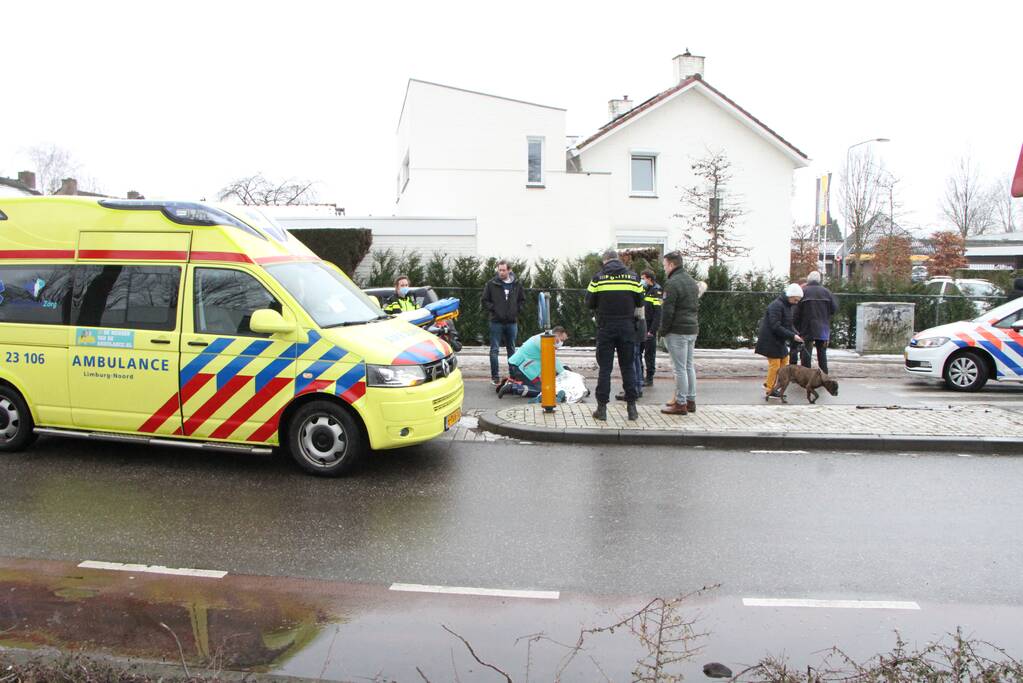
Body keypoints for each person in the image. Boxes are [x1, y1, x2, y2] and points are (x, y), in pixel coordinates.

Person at [586, 249, 644, 421]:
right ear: (618, 260)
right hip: (627, 327)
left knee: (605, 369)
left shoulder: (598, 278)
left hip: (606, 327)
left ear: (605, 261)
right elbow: (640, 301)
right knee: (628, 367)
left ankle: (602, 409)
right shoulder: (633, 278)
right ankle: (632, 408)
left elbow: (589, 302)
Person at [659, 252, 701, 416]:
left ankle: (680, 403)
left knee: (679, 369)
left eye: (665, 265)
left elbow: (668, 311)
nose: (664, 269)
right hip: (691, 329)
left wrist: (663, 330)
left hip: (677, 330)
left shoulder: (672, 283)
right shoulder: (691, 281)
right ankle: (691, 400)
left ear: (671, 265)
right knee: (689, 366)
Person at [756, 283, 805, 399]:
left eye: (798, 300)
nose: (796, 302)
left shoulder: (787, 306)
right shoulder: (776, 306)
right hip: (770, 340)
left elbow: (788, 324)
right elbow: (775, 326)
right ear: (790, 296)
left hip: (778, 340)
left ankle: (774, 386)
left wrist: (797, 334)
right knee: (775, 365)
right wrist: (792, 336)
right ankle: (770, 389)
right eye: (795, 300)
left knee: (784, 361)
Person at [482, 260, 526, 386]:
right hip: (496, 322)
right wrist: (495, 310)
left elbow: (522, 300)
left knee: (511, 349)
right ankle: (495, 377)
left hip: (511, 322)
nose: (501, 272)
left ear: (509, 270)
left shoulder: (516, 284)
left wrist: (515, 310)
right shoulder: (491, 284)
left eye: (503, 270)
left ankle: (513, 376)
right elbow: (485, 300)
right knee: (494, 349)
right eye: (499, 270)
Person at [498, 327, 569, 398]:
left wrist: (563, 367)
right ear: (556, 334)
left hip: (520, 365)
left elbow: (552, 359)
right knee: (542, 390)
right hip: (520, 367)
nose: (561, 343)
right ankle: (513, 388)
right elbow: (552, 360)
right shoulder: (545, 341)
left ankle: (511, 382)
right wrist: (565, 372)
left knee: (542, 385)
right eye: (562, 340)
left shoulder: (545, 337)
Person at [794, 270, 839, 374]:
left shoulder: (803, 292)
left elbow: (796, 312)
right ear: (819, 280)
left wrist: (796, 327)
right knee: (822, 353)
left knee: (806, 353)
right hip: (823, 328)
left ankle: (806, 375)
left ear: (808, 280)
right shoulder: (827, 292)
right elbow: (834, 309)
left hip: (807, 327)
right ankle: (824, 376)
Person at [615, 303, 647, 401]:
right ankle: (637, 387)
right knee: (636, 358)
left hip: (633, 326)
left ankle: (633, 389)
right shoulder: (639, 294)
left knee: (631, 359)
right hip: (639, 325)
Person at [640, 269, 663, 386]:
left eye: (643, 278)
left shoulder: (657, 291)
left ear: (649, 279)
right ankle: (639, 376)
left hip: (649, 328)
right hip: (642, 326)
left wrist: (652, 331)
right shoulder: (644, 289)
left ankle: (649, 378)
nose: (641, 281)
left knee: (649, 354)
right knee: (638, 353)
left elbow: (658, 313)